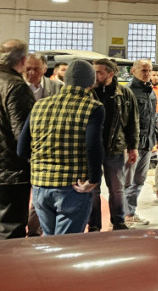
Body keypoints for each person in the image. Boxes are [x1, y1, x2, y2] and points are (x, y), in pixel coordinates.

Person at [17, 60, 103, 235]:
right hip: (72, 186)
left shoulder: (39, 105)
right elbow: (93, 145)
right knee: (67, 247)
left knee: (51, 241)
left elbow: (22, 149)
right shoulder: (93, 107)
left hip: (41, 186)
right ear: (91, 82)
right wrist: (94, 179)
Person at [88, 58, 139, 232]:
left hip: (115, 149)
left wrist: (133, 147)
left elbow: (132, 122)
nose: (95, 75)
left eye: (99, 72)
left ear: (111, 74)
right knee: (92, 190)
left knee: (117, 189)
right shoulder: (87, 92)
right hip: (91, 149)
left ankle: (118, 222)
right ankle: (94, 224)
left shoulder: (124, 94)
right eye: (94, 71)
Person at [22, 54, 62, 236]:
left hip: (49, 149)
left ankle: (35, 232)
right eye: (27, 68)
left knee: (41, 194)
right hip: (21, 147)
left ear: (45, 69)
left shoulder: (58, 88)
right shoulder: (17, 87)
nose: (31, 73)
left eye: (36, 69)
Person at [0, 39, 35, 239]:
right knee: (10, 230)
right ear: (22, 61)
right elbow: (23, 133)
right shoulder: (15, 86)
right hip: (11, 170)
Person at [125, 59, 158, 226]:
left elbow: (153, 117)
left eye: (149, 70)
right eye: (143, 70)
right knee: (127, 181)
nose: (147, 74)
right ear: (133, 71)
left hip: (147, 143)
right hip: (133, 146)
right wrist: (130, 146)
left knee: (139, 180)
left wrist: (157, 137)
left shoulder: (150, 91)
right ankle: (123, 215)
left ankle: (129, 212)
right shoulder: (128, 91)